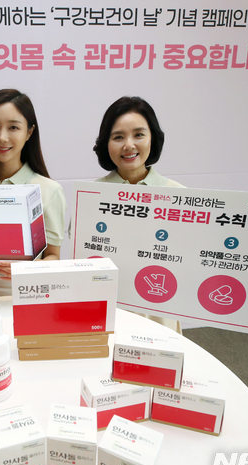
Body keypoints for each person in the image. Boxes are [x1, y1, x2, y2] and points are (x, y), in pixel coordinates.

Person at [0, 89, 66, 300]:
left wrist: (26, 269)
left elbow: (53, 257)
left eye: (13, 127)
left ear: (29, 132)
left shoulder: (49, 190)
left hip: (29, 294)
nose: (2, 137)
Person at [94, 96, 184, 333]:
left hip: (158, 310)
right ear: (106, 143)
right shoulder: (92, 196)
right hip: (108, 309)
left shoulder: (179, 195)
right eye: (118, 137)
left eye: (139, 134)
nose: (129, 145)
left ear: (153, 138)